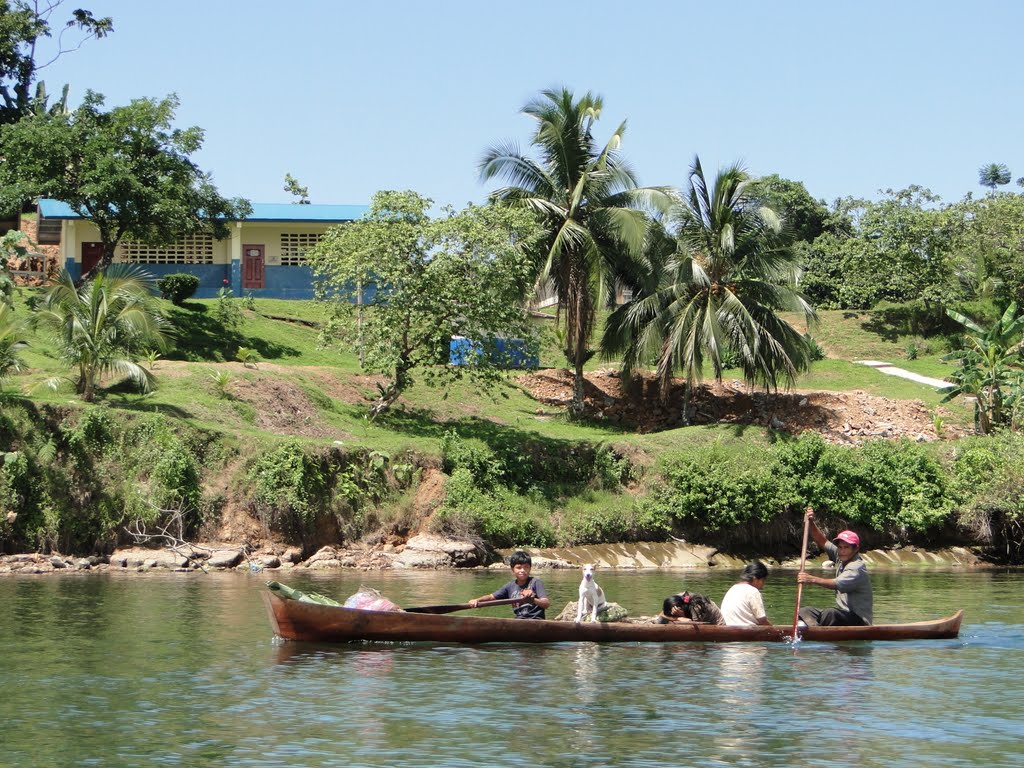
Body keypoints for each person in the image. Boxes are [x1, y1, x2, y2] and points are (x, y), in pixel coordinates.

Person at [797, 506, 873, 626]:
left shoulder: (857, 567)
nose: (842, 551)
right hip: (842, 616)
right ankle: (815, 632)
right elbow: (821, 540)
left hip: (859, 621)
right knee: (804, 611)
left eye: (846, 547)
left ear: (855, 549)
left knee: (830, 613)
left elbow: (836, 584)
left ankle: (819, 634)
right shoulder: (840, 556)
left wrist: (810, 579)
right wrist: (811, 522)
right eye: (840, 547)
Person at [469, 549, 550, 619]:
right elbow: (491, 597)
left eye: (526, 567)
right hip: (519, 621)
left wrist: (533, 600)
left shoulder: (536, 583)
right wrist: (477, 600)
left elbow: (546, 604)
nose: (522, 570)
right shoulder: (510, 586)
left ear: (530, 568)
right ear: (512, 569)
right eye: (519, 567)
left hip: (536, 620)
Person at [720, 561, 772, 626]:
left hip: (727, 630)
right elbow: (762, 620)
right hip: (746, 632)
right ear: (755, 579)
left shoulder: (733, 588)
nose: (763, 586)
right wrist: (775, 630)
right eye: (763, 581)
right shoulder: (753, 591)